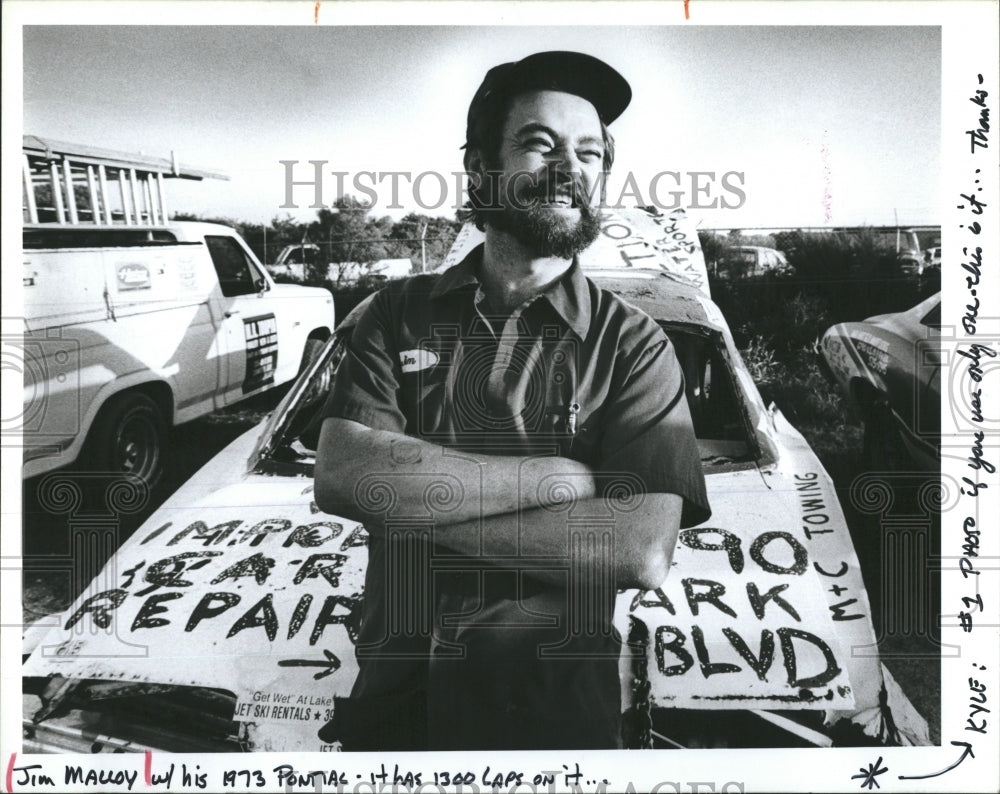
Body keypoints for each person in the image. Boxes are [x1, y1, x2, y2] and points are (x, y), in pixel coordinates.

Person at [314, 50, 710, 751]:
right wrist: (553, 480)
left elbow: (640, 546)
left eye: (590, 152)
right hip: (393, 709)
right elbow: (345, 473)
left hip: (553, 721)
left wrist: (410, 514)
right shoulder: (393, 314)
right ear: (479, 166)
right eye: (539, 143)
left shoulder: (635, 346)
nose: (570, 168)